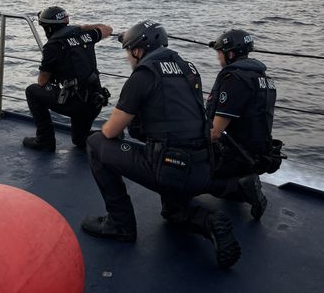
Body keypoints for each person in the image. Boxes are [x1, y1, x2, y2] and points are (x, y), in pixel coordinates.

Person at [81, 20, 241, 269]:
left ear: (137, 50)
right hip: (202, 167)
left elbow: (111, 131)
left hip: (170, 167)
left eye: (128, 52)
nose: (128, 58)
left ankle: (120, 224)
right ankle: (209, 221)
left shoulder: (144, 74)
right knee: (172, 212)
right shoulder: (189, 69)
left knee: (95, 142)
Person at [206, 29, 281, 220]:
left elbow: (214, 133)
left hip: (236, 157)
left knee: (187, 174)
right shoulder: (266, 80)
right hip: (257, 155)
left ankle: (242, 186)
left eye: (220, 52)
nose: (218, 58)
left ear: (230, 54)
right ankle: (241, 182)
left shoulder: (235, 80)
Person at [22, 6, 113, 152]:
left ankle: (45, 140)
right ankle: (111, 135)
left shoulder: (52, 46)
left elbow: (42, 81)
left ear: (48, 28)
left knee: (32, 91)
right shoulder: (86, 35)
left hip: (76, 104)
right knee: (79, 140)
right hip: (95, 101)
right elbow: (108, 29)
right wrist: (81, 28)